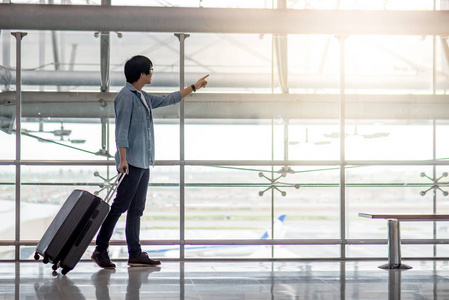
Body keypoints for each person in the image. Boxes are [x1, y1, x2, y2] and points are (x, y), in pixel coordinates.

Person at [91, 55, 208, 268]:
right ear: (142, 73)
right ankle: (100, 250)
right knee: (119, 207)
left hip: (143, 162)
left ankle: (135, 253)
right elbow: (122, 131)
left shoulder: (142, 97)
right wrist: (123, 159)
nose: (152, 74)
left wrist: (194, 87)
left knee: (136, 210)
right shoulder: (126, 97)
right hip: (131, 163)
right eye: (150, 70)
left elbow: (168, 99)